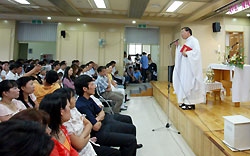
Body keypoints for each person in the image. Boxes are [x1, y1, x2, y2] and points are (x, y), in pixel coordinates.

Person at [74, 75, 142, 156]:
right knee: (131, 139)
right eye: (92, 85)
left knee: (130, 125)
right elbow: (96, 127)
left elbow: (101, 112)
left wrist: (97, 118)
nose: (95, 86)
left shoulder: (88, 98)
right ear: (84, 89)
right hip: (98, 133)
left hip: (102, 123)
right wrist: (99, 118)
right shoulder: (81, 105)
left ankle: (129, 149)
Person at [173, 27, 205, 110]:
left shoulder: (194, 41)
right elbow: (182, 53)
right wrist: (178, 47)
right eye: (181, 33)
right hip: (185, 68)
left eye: (183, 32)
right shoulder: (187, 42)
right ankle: (185, 101)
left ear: (188, 32)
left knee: (189, 84)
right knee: (184, 83)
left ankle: (190, 103)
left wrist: (187, 53)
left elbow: (196, 53)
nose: (182, 34)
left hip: (191, 69)